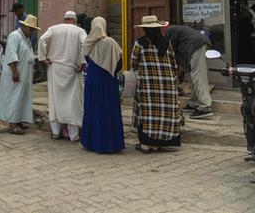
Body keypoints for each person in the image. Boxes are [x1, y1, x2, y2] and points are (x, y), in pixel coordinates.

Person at [130, 15, 182, 153]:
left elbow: (133, 64)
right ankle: (161, 142)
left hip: (148, 86)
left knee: (148, 113)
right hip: (167, 85)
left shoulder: (139, 43)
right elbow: (174, 64)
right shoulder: (167, 43)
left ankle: (147, 144)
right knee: (164, 112)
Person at [38, 11, 88, 141]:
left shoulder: (54, 29)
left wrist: (43, 58)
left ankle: (56, 132)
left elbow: (42, 39)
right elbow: (86, 44)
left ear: (64, 19)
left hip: (55, 69)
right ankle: (73, 135)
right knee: (73, 103)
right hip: (73, 69)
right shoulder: (80, 31)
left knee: (55, 101)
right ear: (74, 20)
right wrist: (82, 61)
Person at [79, 16, 124, 153]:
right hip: (108, 82)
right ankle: (110, 143)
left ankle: (92, 142)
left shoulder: (87, 43)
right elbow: (119, 64)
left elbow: (85, 59)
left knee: (93, 109)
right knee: (108, 110)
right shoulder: (111, 43)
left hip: (92, 81)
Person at [0, 14, 39, 135]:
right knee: (14, 98)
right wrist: (15, 72)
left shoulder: (26, 39)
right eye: (30, 28)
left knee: (22, 97)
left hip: (25, 74)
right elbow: (11, 54)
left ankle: (19, 120)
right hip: (16, 73)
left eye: (33, 29)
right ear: (24, 26)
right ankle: (13, 124)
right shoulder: (15, 36)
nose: (32, 31)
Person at [165, 24, 214, 119]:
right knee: (191, 76)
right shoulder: (174, 32)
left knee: (198, 76)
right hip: (196, 45)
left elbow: (171, 53)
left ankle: (205, 107)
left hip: (196, 46)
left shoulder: (169, 32)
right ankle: (194, 102)